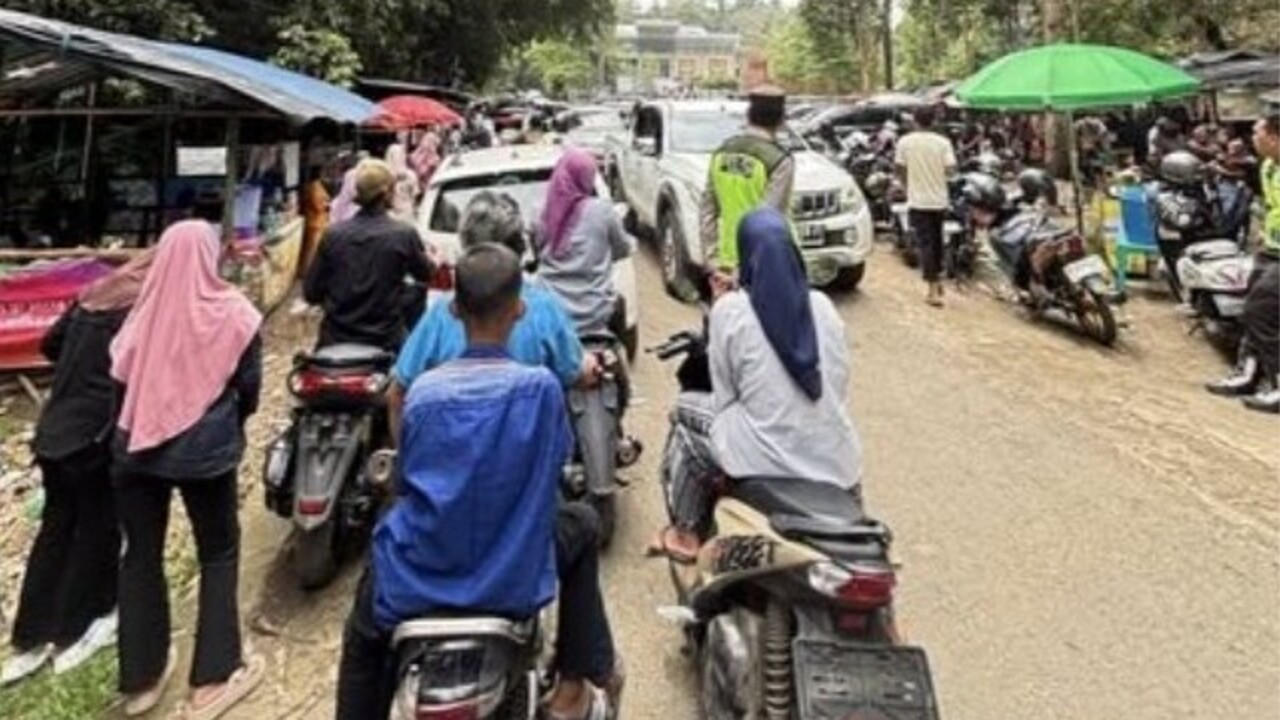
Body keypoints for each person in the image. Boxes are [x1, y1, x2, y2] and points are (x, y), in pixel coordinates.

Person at [336, 244, 621, 720]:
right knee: (584, 524)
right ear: (519, 310)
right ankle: (577, 686)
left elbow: (409, 472)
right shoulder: (540, 389)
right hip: (514, 570)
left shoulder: (424, 395)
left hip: (422, 571)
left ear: (454, 309)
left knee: (364, 637)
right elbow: (554, 461)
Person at [109, 220, 264, 718]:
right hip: (205, 451)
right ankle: (212, 679)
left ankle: (141, 679)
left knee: (140, 555)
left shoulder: (142, 312)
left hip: (136, 447)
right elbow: (249, 389)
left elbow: (119, 378)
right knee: (218, 553)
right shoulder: (235, 314)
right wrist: (227, 424)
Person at [651, 208, 863, 562]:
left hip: (759, 457)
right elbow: (839, 384)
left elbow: (724, 395)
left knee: (685, 411)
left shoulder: (732, 311)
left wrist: (721, 306)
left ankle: (686, 532)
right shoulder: (823, 307)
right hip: (837, 462)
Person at [0, 250, 157, 686]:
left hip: (54, 429)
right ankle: (78, 627)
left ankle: (30, 637)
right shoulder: (142, 307)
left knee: (54, 531)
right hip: (94, 435)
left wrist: (78, 368)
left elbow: (50, 345)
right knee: (97, 529)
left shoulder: (94, 295)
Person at [389, 192, 591, 440]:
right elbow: (572, 371)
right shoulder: (541, 308)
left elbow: (398, 391)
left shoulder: (442, 312)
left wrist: (406, 453)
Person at [304, 159, 433, 350]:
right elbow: (425, 274)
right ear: (385, 193)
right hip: (386, 340)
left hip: (336, 338)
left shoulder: (334, 235)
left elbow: (311, 292)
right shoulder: (403, 234)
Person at [1207, 115, 1280, 413]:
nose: (1252, 137)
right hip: (1270, 249)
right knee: (1249, 309)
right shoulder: (1268, 166)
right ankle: (1248, 374)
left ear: (1274, 137)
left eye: (1257, 132)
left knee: (1260, 312)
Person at [699, 85, 795, 284]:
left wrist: (712, 261)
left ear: (748, 116)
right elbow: (766, 221)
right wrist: (743, 273)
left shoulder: (722, 152)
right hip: (764, 265)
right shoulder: (779, 161)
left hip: (725, 263)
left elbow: (707, 210)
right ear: (781, 120)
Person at [536, 149, 635, 338]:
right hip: (596, 315)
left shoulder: (541, 212)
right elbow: (622, 248)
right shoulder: (603, 211)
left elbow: (537, 249)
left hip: (552, 314)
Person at [895, 104, 958, 307]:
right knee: (937, 241)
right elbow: (951, 170)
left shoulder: (905, 142)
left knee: (926, 244)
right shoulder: (943, 142)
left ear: (915, 120)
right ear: (934, 121)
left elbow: (899, 168)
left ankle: (933, 289)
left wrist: (907, 185)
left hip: (918, 200)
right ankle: (937, 280)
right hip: (939, 200)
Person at [300, 165, 330, 275]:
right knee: (312, 250)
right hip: (315, 222)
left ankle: (307, 271)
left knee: (311, 249)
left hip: (315, 221)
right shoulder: (314, 186)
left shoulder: (314, 185)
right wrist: (326, 205)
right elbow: (317, 205)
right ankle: (307, 272)